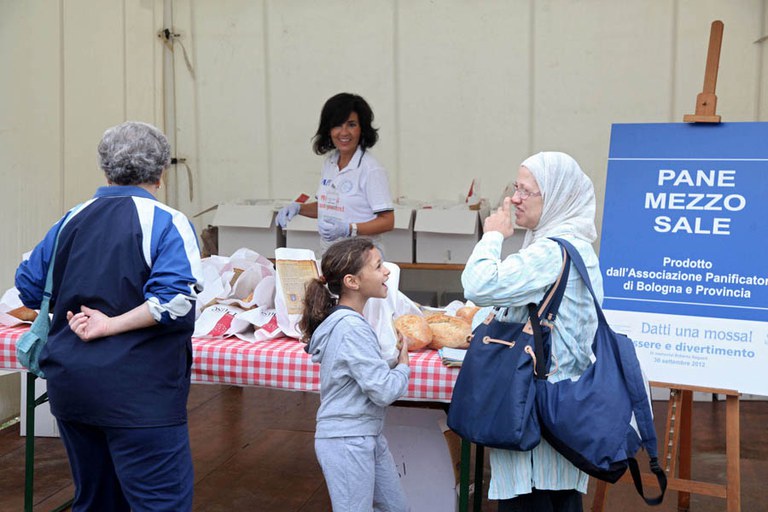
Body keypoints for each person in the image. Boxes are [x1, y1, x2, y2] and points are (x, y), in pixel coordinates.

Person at [15, 121, 204, 512]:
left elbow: (29, 286)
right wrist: (110, 324)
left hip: (72, 387)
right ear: (161, 173)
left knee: (95, 502)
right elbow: (175, 302)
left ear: (105, 170)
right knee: (159, 505)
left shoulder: (70, 218)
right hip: (141, 394)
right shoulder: (169, 222)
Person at [461, 151, 604, 512]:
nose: (514, 199)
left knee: (535, 501)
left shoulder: (550, 253)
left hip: (533, 416)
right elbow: (522, 312)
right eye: (515, 188)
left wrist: (492, 237)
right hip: (559, 414)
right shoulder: (573, 247)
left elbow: (478, 284)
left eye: (527, 191)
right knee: (559, 500)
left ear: (555, 197)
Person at [300, 237, 410, 511]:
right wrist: (404, 365)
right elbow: (383, 391)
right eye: (378, 266)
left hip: (365, 434)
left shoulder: (350, 324)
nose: (386, 272)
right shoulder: (350, 328)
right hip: (347, 440)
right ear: (352, 281)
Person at [276, 92, 395, 253]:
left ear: (362, 129)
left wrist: (350, 229)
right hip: (331, 253)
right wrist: (299, 208)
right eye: (337, 125)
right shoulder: (330, 163)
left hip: (361, 258)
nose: (344, 132)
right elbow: (326, 207)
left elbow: (387, 221)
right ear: (328, 129)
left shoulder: (371, 169)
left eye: (351, 124)